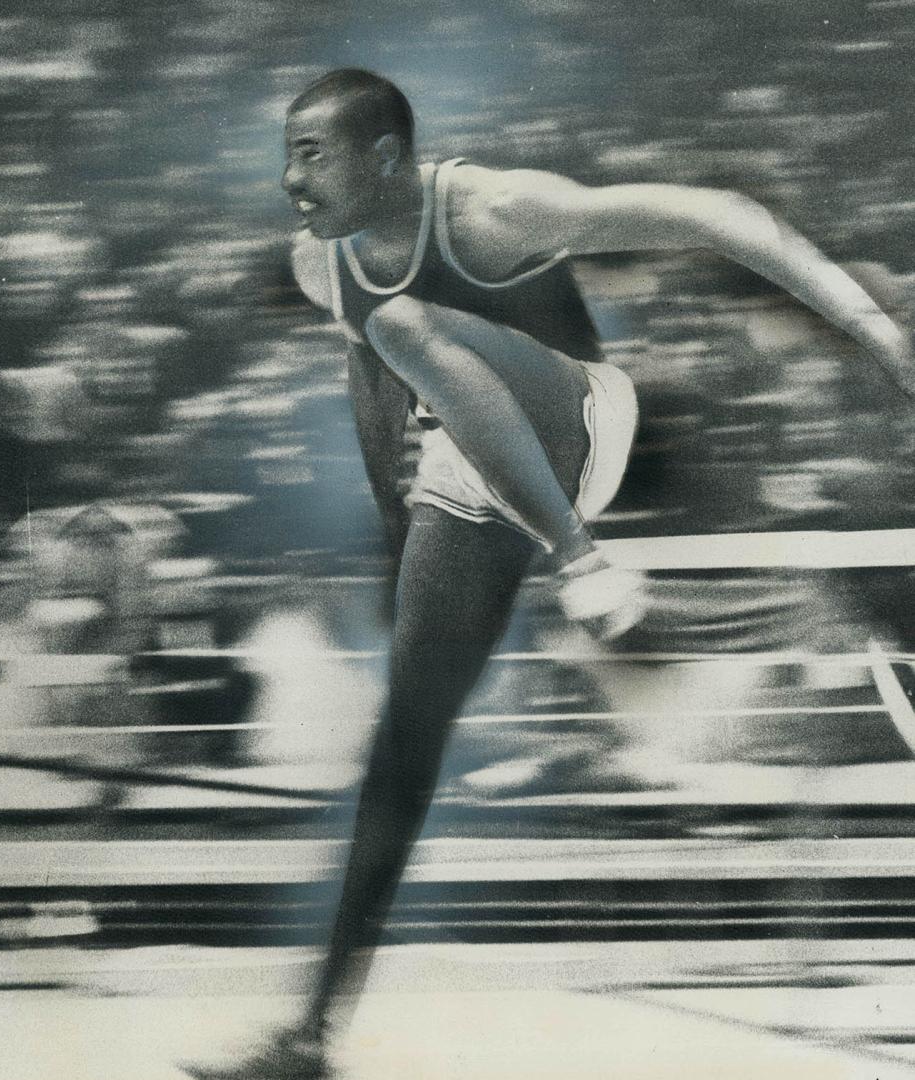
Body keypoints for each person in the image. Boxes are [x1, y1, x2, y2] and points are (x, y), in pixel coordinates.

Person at [183, 68, 915, 1080]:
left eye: (312, 152)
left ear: (385, 156)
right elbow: (368, 367)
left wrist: (877, 333)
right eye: (286, 154)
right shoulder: (322, 266)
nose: (291, 177)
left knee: (406, 328)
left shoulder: (490, 211)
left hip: (583, 423)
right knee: (403, 745)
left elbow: (721, 217)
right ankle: (308, 1039)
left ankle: (584, 562)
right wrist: (393, 520)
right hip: (474, 465)